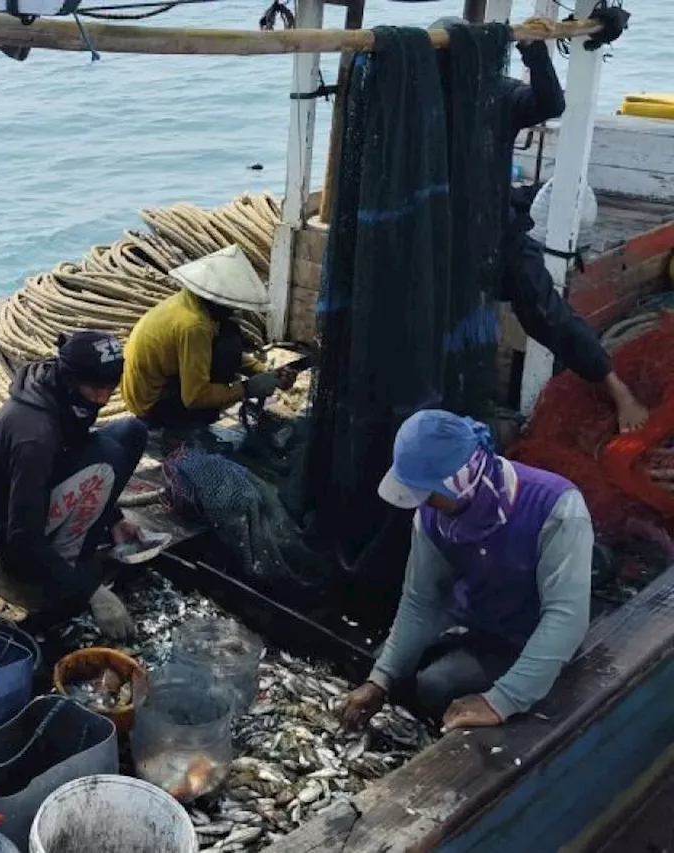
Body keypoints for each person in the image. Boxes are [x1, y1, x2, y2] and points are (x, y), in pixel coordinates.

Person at [437, 15, 648, 432]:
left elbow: (550, 103)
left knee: (548, 314)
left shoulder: (494, 95)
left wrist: (533, 51)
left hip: (499, 233)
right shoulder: (418, 107)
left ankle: (618, 389)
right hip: (439, 238)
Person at [338, 410, 592, 733]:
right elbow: (421, 600)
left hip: (525, 637)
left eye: (428, 493)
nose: (424, 503)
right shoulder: (433, 518)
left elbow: (566, 618)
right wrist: (381, 679)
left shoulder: (557, 508)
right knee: (384, 666)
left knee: (436, 686)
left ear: (462, 479)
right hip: (475, 620)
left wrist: (501, 700)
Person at [0, 331, 156, 640]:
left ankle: (90, 535)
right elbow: (21, 538)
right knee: (107, 456)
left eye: (110, 388)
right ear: (71, 378)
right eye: (96, 388)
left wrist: (115, 521)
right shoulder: (34, 436)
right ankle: (68, 558)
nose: (103, 398)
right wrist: (89, 592)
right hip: (8, 533)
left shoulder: (65, 391)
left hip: (36, 493)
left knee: (131, 431)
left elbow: (76, 445)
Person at [121, 245, 296, 439]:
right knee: (227, 346)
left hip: (155, 387)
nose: (234, 309)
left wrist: (265, 373)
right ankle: (179, 430)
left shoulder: (190, 302)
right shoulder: (194, 326)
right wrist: (247, 388)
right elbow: (195, 397)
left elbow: (216, 353)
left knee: (229, 338)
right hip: (152, 405)